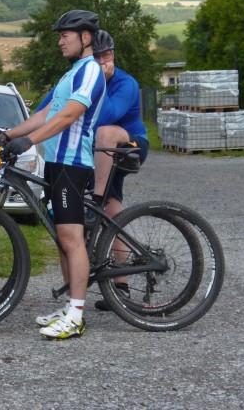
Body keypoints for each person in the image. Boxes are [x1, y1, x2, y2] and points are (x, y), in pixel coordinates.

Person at [0, 9, 105, 340]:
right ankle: (70, 307)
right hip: (56, 162)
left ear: (85, 37)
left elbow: (69, 115)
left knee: (72, 238)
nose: (60, 42)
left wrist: (28, 142)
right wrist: (8, 135)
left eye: (65, 36)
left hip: (72, 163)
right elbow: (45, 114)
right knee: (62, 239)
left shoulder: (91, 70)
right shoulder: (72, 74)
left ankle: (77, 316)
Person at [88, 29, 150, 311]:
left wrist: (101, 82)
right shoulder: (82, 80)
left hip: (130, 146)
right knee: (112, 216)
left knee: (106, 132)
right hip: (102, 154)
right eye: (97, 57)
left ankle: (96, 199)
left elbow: (108, 116)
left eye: (107, 55)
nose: (103, 60)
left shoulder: (126, 83)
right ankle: (121, 287)